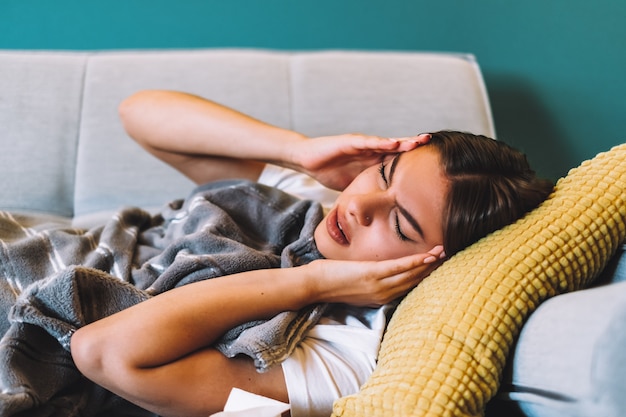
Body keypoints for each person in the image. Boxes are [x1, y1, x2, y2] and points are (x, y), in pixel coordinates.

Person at [69, 90, 554, 417]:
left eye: (400, 223)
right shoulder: (317, 206)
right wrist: (296, 150)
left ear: (435, 266)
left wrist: (311, 282)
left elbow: (101, 351)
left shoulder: (340, 359)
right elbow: (140, 112)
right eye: (383, 174)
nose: (360, 205)